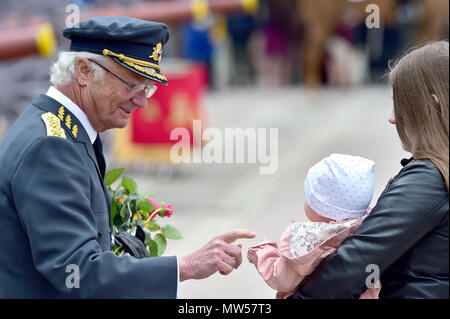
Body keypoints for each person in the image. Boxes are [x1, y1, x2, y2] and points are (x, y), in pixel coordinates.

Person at [0, 16, 255, 298]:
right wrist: (187, 266)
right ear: (84, 71)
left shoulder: (63, 128)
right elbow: (78, 271)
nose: (143, 100)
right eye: (132, 84)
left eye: (147, 87)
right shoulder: (51, 145)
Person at [289, 41, 449, 299]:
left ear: (433, 104)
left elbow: (353, 264)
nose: (392, 117)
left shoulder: (430, 178)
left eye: (401, 104)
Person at [248, 154, 380, 299]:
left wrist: (262, 252)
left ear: (321, 207)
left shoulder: (312, 243)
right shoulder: (372, 228)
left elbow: (282, 279)